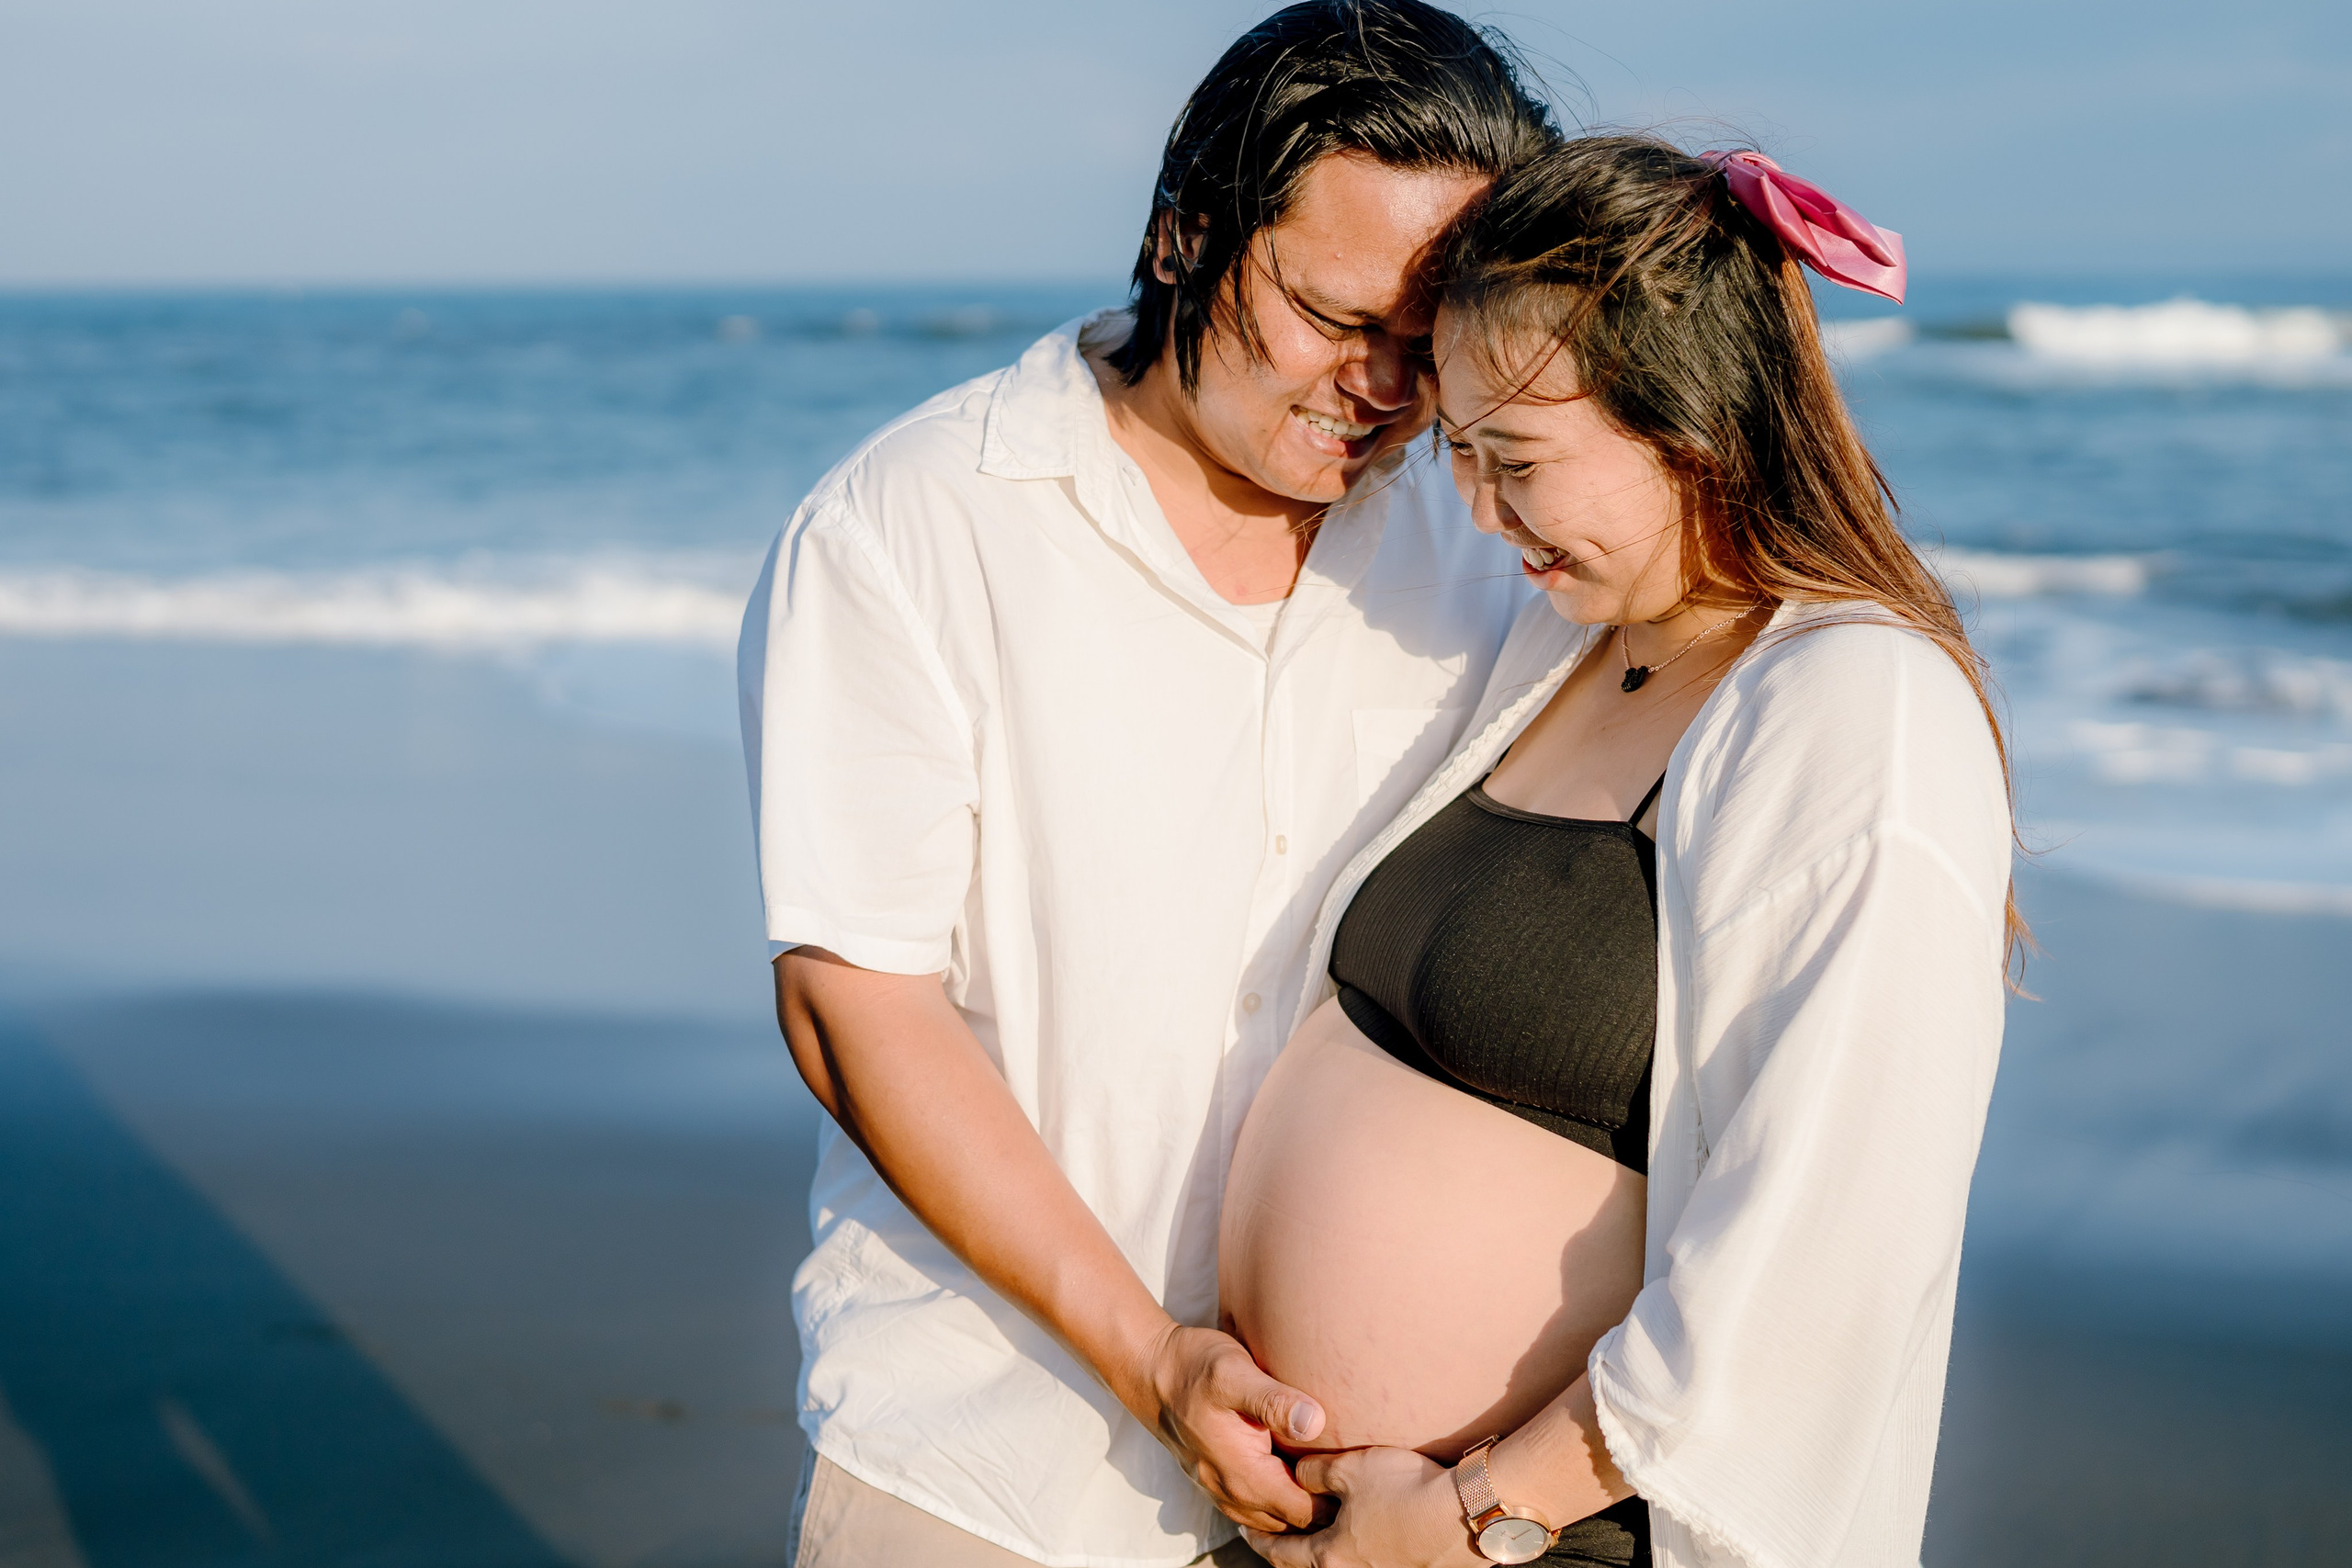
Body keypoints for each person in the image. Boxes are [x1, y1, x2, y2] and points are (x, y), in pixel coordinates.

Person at [735, 5, 1555, 1564]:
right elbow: (856, 1007)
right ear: (1185, 234)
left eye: (1426, 337)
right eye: (1329, 315)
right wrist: (1155, 1362)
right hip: (994, 1465)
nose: (1381, 387)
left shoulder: (1492, 540)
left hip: (1382, 1493)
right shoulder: (911, 527)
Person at [1219, 136, 2018, 1568]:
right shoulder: (1569, 642)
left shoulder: (1856, 707)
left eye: (1517, 460)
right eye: (1460, 453)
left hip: (1555, 1538)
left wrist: (1477, 1517)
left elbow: (1833, 1235)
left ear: (1694, 419)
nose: (1480, 511)